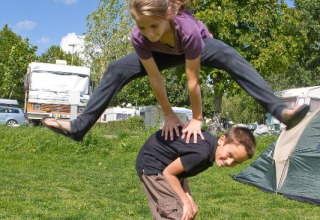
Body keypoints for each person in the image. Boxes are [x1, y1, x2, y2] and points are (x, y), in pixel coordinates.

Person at [42, 0, 309, 143]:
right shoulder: (141, 37)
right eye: (142, 27)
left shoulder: (187, 30)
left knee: (229, 55)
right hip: (164, 53)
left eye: (153, 27)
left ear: (168, 15)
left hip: (200, 45)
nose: (148, 33)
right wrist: (168, 114)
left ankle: (279, 111)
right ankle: (79, 128)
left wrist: (196, 118)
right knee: (115, 69)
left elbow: (192, 82)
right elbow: (155, 78)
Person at [136, 126, 256, 220]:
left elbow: (182, 171)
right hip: (154, 165)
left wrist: (189, 199)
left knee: (187, 212)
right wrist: (185, 201)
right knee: (176, 213)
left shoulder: (209, 150)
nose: (229, 162)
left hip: (167, 167)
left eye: (236, 162)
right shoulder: (202, 153)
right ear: (222, 139)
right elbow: (169, 173)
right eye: (230, 155)